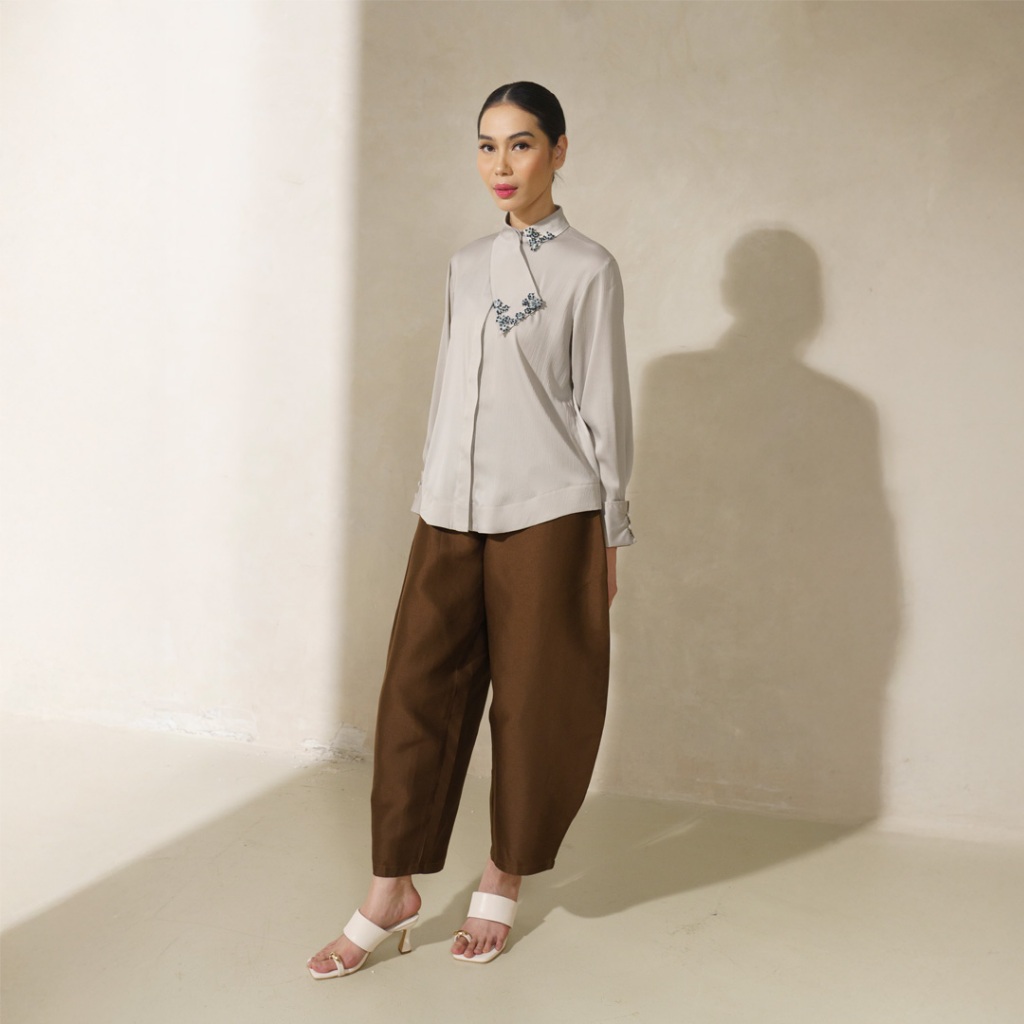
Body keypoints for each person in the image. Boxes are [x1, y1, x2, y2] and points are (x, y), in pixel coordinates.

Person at [307, 81, 634, 978]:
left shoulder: (589, 269)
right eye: (487, 146)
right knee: (416, 691)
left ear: (558, 150)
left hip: (551, 510)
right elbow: (450, 393)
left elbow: (604, 407)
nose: (501, 164)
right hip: (450, 507)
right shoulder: (463, 266)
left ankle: (503, 874)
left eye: (521, 144)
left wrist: (611, 531)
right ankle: (391, 888)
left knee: (534, 701)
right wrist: (429, 490)